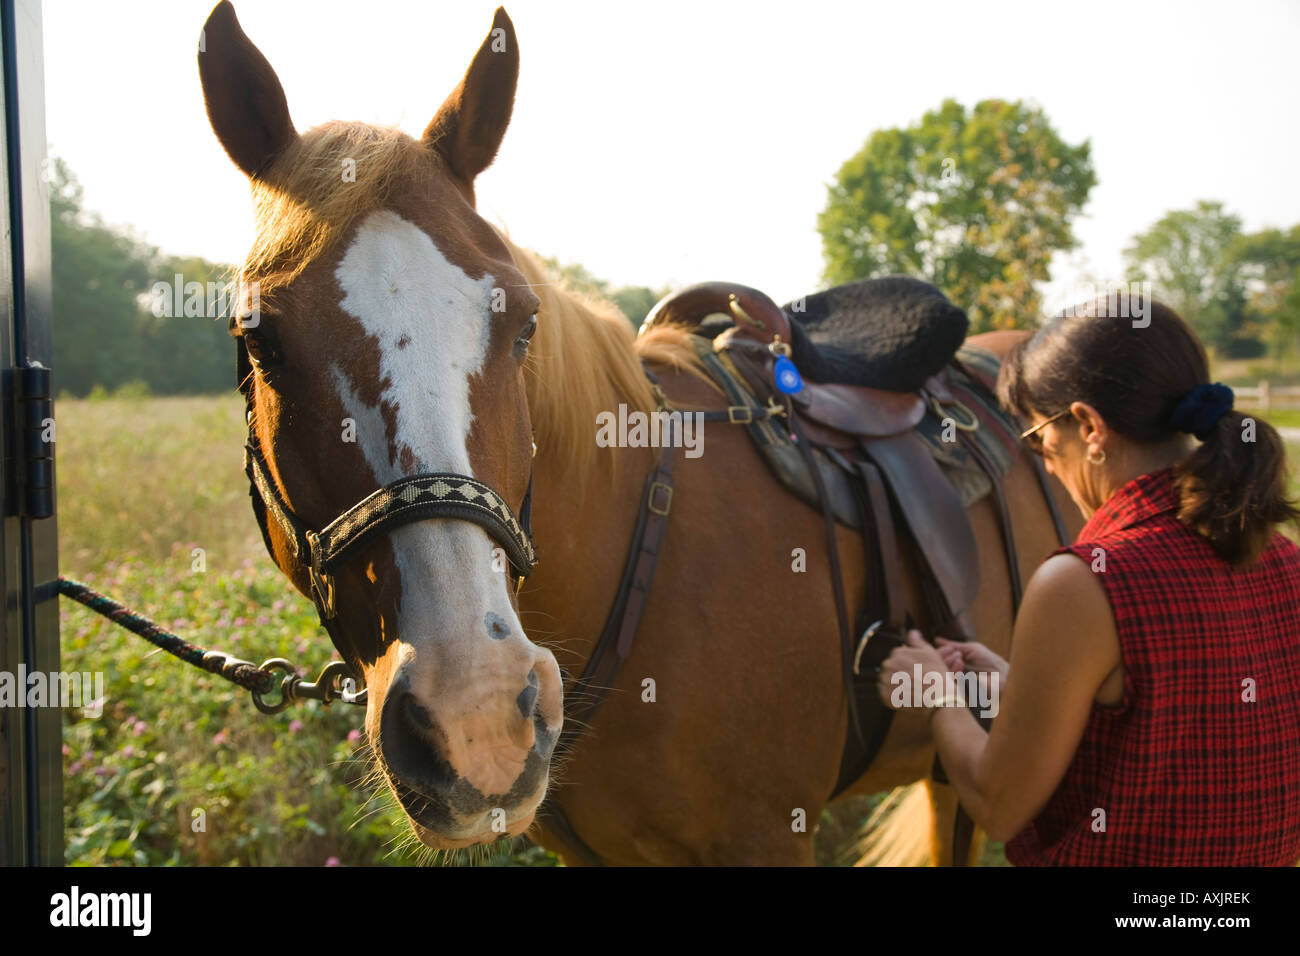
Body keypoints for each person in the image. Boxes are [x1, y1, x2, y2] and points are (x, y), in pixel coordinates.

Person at [878, 294, 1300, 865]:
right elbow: (1176, 723)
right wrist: (1023, 685)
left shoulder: (1086, 580)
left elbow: (998, 803)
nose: (1045, 464)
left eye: (1038, 442)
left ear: (1088, 426)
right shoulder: (1280, 557)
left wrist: (936, 696)